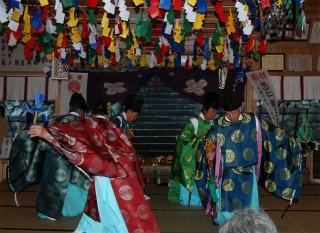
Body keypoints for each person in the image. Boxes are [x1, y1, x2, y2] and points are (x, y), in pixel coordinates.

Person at [28, 106, 160, 232]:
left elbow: (73, 141)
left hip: (107, 177)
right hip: (122, 175)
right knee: (115, 210)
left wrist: (47, 133)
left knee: (113, 210)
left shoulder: (92, 124)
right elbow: (129, 152)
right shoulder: (114, 127)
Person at [207, 91, 303, 225]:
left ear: (240, 108)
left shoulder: (253, 121)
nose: (231, 116)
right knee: (227, 205)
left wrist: (293, 143)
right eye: (228, 113)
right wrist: (209, 153)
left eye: (234, 112)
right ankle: (230, 225)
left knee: (249, 206)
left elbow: (274, 133)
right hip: (227, 172)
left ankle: (247, 225)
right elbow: (209, 142)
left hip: (247, 171)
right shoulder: (217, 124)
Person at [9, 92, 90, 220]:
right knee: (65, 186)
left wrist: (38, 158)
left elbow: (42, 140)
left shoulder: (55, 120)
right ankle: (64, 212)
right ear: (81, 111)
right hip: (68, 164)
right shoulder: (81, 125)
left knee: (48, 184)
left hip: (49, 159)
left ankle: (45, 212)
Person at [168, 92, 221, 208]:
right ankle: (190, 200)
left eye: (216, 112)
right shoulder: (193, 122)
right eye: (212, 111)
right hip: (192, 159)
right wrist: (200, 141)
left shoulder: (213, 124)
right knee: (191, 176)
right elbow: (182, 141)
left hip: (206, 159)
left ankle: (205, 200)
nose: (213, 114)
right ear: (205, 109)